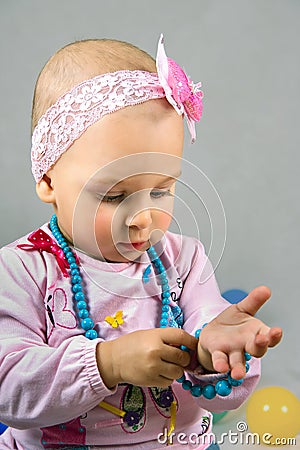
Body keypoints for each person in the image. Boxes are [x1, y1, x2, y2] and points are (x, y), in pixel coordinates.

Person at [0, 34, 282, 450]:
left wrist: (215, 353)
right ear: (47, 179)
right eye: (113, 196)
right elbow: (8, 386)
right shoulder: (23, 268)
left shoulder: (184, 261)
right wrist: (106, 364)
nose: (143, 217)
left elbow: (221, 369)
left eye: (161, 190)